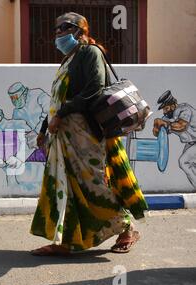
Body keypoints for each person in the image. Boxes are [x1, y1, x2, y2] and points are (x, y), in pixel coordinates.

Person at [30, 12, 148, 255]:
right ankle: (65, 241)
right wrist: (44, 129)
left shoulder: (90, 53)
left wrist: (62, 115)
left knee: (93, 186)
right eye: (56, 29)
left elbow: (95, 89)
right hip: (64, 136)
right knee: (65, 186)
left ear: (80, 31)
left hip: (85, 134)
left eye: (64, 27)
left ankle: (126, 228)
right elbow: (57, 100)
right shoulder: (68, 60)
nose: (58, 33)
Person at [153, 90, 196, 188]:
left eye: (166, 108)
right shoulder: (168, 118)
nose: (165, 111)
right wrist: (156, 126)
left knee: (184, 162)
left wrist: (165, 124)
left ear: (174, 105)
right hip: (190, 144)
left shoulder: (185, 109)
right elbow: (158, 134)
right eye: (163, 109)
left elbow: (181, 126)